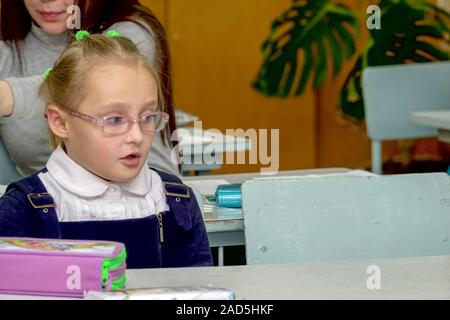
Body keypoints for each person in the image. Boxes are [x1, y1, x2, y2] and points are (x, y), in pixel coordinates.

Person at [0, 32, 212, 269]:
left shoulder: (175, 201)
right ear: (60, 122)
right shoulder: (22, 210)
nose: (136, 136)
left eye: (148, 117)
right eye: (114, 119)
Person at [0, 0, 179, 176]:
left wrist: (9, 95)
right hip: (48, 198)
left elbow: (87, 82)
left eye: (115, 119)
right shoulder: (7, 46)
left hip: (143, 194)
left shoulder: (129, 33)